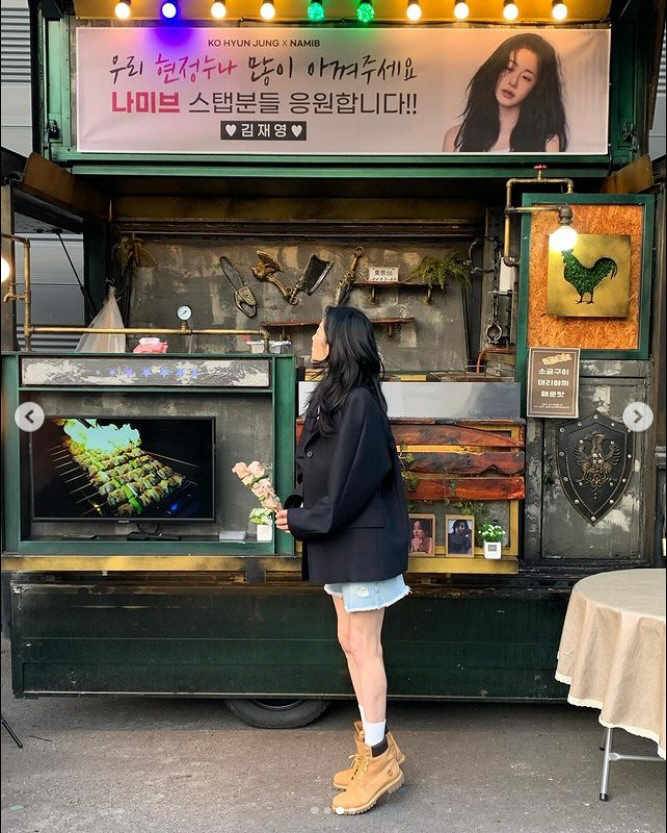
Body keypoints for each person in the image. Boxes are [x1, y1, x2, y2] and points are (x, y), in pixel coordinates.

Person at [275, 305, 410, 816]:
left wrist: (307, 520)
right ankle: (379, 745)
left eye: (318, 330)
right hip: (341, 539)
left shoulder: (359, 403)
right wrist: (297, 507)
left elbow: (353, 484)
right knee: (350, 643)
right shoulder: (337, 395)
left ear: (338, 341)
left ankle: (378, 760)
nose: (312, 335)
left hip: (362, 542)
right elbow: (324, 470)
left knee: (364, 647)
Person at [442, 33, 567, 153]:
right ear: (495, 69)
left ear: (537, 88)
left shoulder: (547, 144)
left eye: (526, 78)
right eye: (509, 68)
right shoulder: (455, 139)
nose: (513, 82)